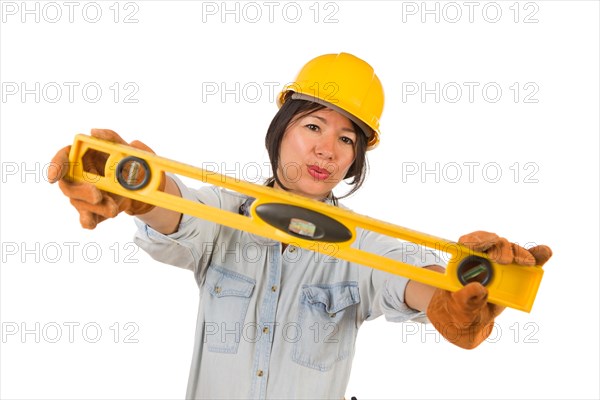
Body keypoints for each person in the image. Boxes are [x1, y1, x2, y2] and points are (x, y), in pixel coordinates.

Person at [48, 52, 552, 399]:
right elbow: (180, 214)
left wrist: (453, 293)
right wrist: (140, 190)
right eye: (313, 125)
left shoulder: (366, 246)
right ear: (281, 131)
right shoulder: (227, 213)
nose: (326, 150)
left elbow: (409, 279)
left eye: (347, 139)